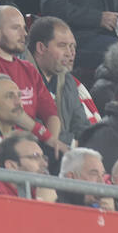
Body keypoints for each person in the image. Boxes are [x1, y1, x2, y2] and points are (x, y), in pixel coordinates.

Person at [0, 6, 65, 152]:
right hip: (3, 145)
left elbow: (51, 113)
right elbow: (8, 108)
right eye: (16, 28)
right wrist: (46, 137)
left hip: (32, 145)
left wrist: (51, 144)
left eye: (24, 28)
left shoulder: (28, 68)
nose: (25, 34)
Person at [29, 15, 100, 145]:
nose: (70, 52)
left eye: (72, 46)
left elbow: (81, 125)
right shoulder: (22, 76)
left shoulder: (68, 80)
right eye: (62, 46)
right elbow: (34, 129)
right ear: (41, 48)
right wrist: (73, 144)